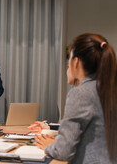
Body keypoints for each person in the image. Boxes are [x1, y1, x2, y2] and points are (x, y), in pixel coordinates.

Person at [35, 33, 117, 163]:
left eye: (69, 62)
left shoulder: (81, 94)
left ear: (76, 62)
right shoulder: (108, 89)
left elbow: (63, 152)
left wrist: (49, 147)